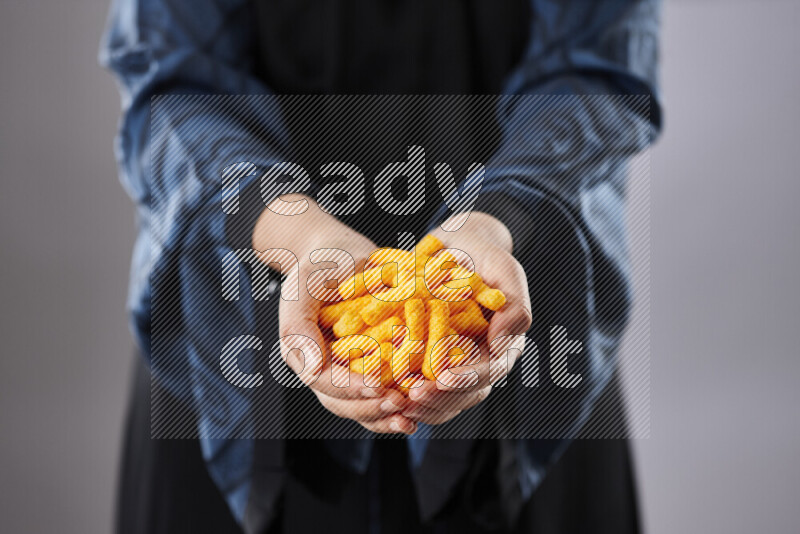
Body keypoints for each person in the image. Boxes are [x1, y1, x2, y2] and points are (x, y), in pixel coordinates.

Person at [101, 0, 661, 532]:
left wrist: (500, 216)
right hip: (231, 335)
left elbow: (598, 71)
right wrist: (295, 233)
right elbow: (170, 80)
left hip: (522, 320)